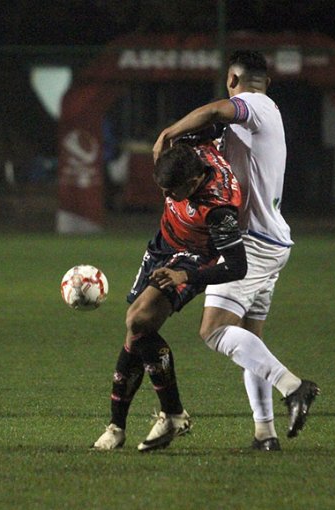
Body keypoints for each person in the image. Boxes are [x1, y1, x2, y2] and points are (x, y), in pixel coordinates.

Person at [151, 50, 319, 451]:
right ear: (269, 81)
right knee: (249, 340)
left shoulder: (255, 107)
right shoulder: (264, 115)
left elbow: (212, 112)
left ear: (232, 80)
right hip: (274, 239)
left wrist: (169, 133)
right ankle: (265, 433)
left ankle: (294, 387)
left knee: (213, 331)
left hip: (254, 242)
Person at [92, 141, 246, 452]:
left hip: (193, 257)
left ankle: (171, 413)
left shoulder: (219, 210)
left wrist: (185, 276)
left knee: (139, 319)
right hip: (162, 246)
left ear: (193, 182)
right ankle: (120, 427)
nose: (166, 196)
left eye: (171, 191)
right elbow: (209, 120)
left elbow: (237, 266)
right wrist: (170, 133)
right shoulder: (192, 151)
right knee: (136, 330)